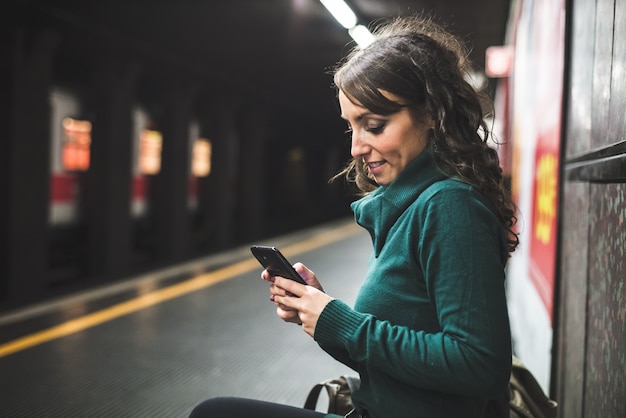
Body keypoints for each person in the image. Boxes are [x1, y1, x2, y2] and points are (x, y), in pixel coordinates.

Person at [189, 13, 518, 418]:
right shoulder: (412, 207)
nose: (356, 148)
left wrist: (341, 321)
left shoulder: (450, 207)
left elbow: (480, 366)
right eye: (351, 128)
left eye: (374, 125)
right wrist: (321, 314)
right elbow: (397, 366)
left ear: (432, 115)